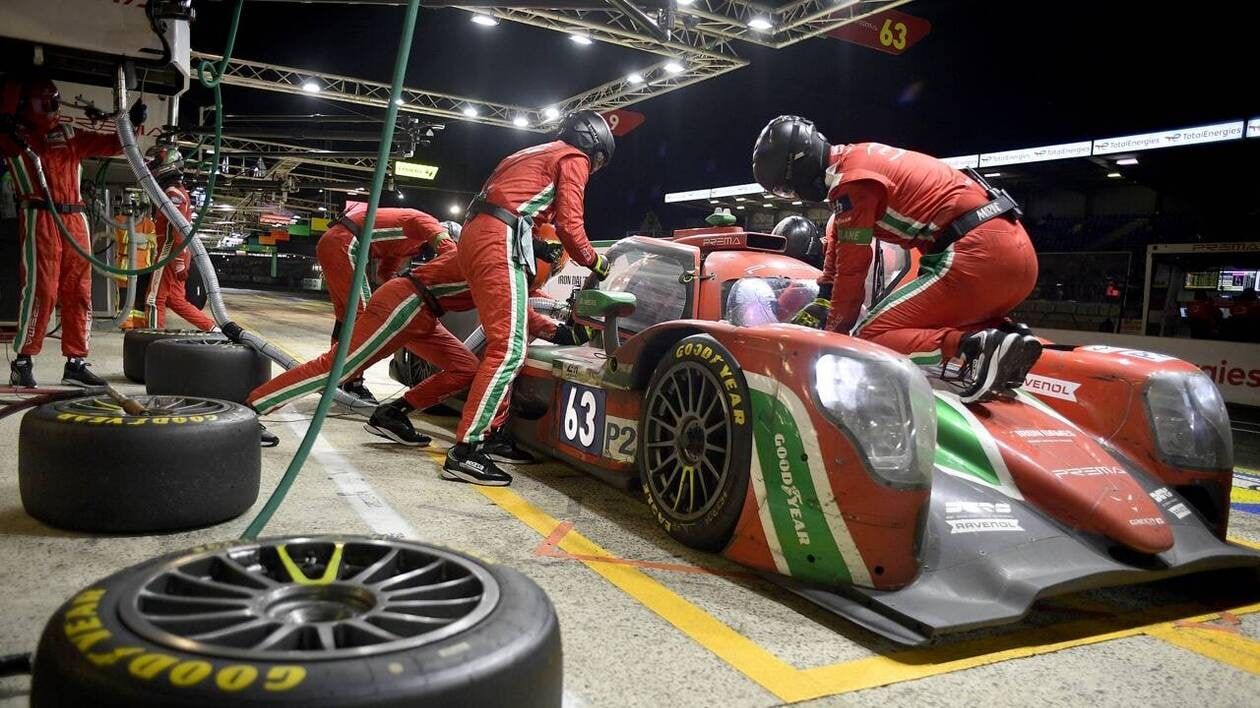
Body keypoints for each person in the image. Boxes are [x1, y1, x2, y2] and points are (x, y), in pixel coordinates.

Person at [246, 233, 589, 476]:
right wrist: (556, 331)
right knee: (337, 368)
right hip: (406, 303)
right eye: (555, 259)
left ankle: (394, 412)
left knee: (464, 368)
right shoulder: (497, 259)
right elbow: (513, 308)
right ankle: (251, 411)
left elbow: (525, 301)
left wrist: (559, 327)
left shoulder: (500, 255)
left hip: (422, 311)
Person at [752, 115, 1041, 403]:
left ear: (796, 166)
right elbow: (838, 245)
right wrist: (824, 295)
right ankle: (1005, 335)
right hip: (1017, 253)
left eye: (785, 188)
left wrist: (832, 340)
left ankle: (972, 346)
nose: (792, 194)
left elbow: (852, 274)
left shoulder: (850, 184)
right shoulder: (855, 162)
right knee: (916, 321)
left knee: (871, 336)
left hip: (977, 253)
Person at [444, 110, 614, 485]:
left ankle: (491, 434)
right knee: (508, 350)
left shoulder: (526, 155)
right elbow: (570, 226)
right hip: (496, 238)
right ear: (594, 145)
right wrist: (596, 262)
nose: (594, 168)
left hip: (476, 236)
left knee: (507, 340)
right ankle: (467, 449)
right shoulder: (574, 158)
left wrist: (557, 332)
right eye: (598, 161)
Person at [3, 76, 146, 387]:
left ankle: (76, 364)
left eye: (55, 102)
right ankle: (23, 361)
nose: (54, 108)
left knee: (79, 291)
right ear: (27, 106)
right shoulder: (13, 136)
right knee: (42, 290)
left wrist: (132, 124)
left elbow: (115, 144)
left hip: (75, 218)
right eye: (48, 104)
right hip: (40, 217)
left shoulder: (68, 135)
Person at [316, 204, 451, 404]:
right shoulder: (427, 223)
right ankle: (351, 383)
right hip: (345, 243)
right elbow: (450, 250)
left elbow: (385, 274)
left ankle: (338, 375)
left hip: (337, 243)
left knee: (346, 318)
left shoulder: (410, 246)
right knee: (364, 317)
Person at [143, 145, 216, 331]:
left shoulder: (172, 193)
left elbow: (179, 229)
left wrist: (178, 262)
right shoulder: (176, 191)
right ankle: (212, 328)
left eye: (156, 163)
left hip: (170, 251)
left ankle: (152, 341)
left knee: (154, 299)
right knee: (175, 299)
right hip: (176, 251)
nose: (151, 168)